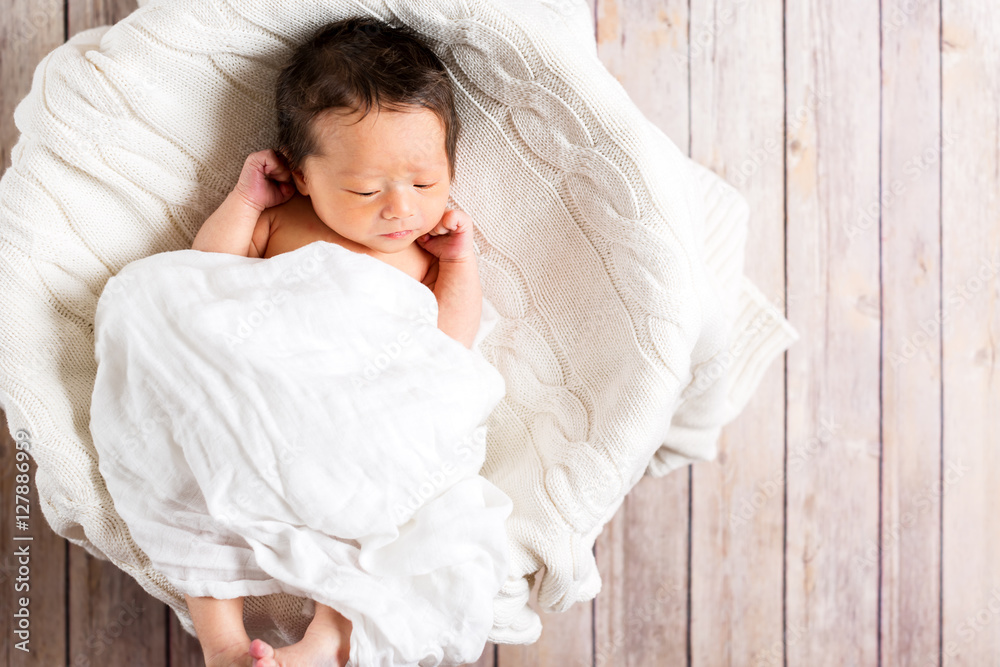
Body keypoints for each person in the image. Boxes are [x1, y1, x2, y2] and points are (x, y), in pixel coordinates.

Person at [186, 16, 480, 666]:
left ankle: (325, 637)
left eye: (426, 183)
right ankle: (223, 642)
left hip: (362, 419)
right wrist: (243, 201)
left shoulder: (422, 257)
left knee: (374, 515)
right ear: (300, 174)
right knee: (201, 491)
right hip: (263, 403)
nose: (400, 208)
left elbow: (448, 348)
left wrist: (459, 266)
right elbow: (203, 278)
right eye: (365, 189)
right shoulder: (282, 223)